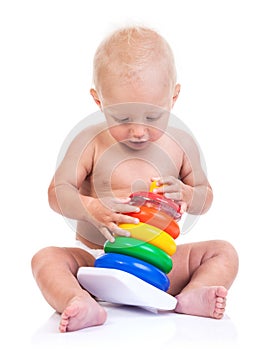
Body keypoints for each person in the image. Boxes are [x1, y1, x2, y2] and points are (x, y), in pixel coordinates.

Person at [31, 26, 239, 333]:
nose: (138, 130)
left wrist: (185, 192)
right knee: (45, 259)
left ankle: (193, 293)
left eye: (152, 117)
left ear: (173, 97)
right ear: (98, 101)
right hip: (96, 263)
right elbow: (56, 192)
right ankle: (79, 300)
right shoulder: (90, 142)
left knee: (224, 252)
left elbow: (205, 196)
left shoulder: (181, 144)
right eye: (123, 118)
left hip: (161, 263)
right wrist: (92, 208)